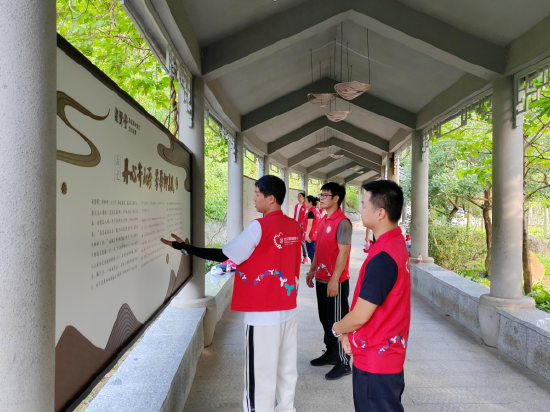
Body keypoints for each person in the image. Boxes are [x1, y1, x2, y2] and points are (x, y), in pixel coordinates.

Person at [161, 175, 301, 412]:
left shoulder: (259, 226)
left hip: (263, 314)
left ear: (271, 198)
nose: (254, 198)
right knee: (286, 369)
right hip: (288, 308)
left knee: (260, 373)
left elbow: (225, 255)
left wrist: (185, 248)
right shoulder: (293, 226)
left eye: (257, 194)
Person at [333, 180, 410, 412]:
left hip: (376, 359)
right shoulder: (394, 244)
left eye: (363, 204)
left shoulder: (383, 257)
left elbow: (360, 316)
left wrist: (339, 328)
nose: (359, 209)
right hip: (386, 353)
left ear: (381, 212)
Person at [305, 182, 352, 380]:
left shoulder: (342, 222)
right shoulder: (323, 219)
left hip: (336, 282)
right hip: (322, 279)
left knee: (339, 321)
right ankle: (331, 353)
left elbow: (344, 252)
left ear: (336, 199)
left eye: (326, 195)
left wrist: (334, 280)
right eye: (321, 194)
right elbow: (320, 249)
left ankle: (344, 361)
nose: (321, 197)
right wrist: (311, 270)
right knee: (326, 319)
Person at [303, 195, 321, 262]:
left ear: (310, 202)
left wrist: (307, 235)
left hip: (311, 237)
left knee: (312, 255)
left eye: (306, 201)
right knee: (314, 255)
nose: (305, 203)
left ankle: (314, 271)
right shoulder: (316, 212)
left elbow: (310, 224)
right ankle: (314, 271)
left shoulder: (311, 212)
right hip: (316, 236)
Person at [294, 191, 308, 264]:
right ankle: (298, 257)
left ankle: (305, 257)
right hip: (296, 226)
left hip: (302, 227)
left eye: (300, 196)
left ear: (303, 197)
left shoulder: (305, 206)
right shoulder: (296, 206)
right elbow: (295, 216)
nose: (299, 197)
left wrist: (303, 223)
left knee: (302, 242)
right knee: (297, 243)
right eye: (298, 196)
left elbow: (306, 217)